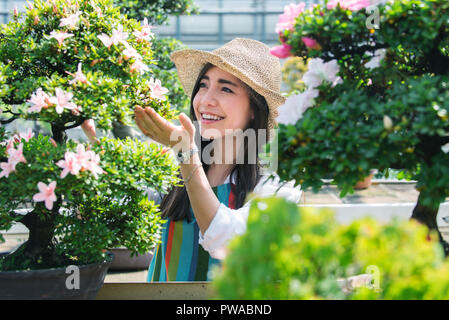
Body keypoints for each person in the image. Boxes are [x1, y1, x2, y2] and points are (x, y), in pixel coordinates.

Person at [131, 38, 302, 282]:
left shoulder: (276, 190)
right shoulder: (171, 173)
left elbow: (227, 241)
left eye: (226, 89)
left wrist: (185, 153)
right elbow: (123, 204)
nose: (205, 100)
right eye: (203, 85)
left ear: (254, 109)